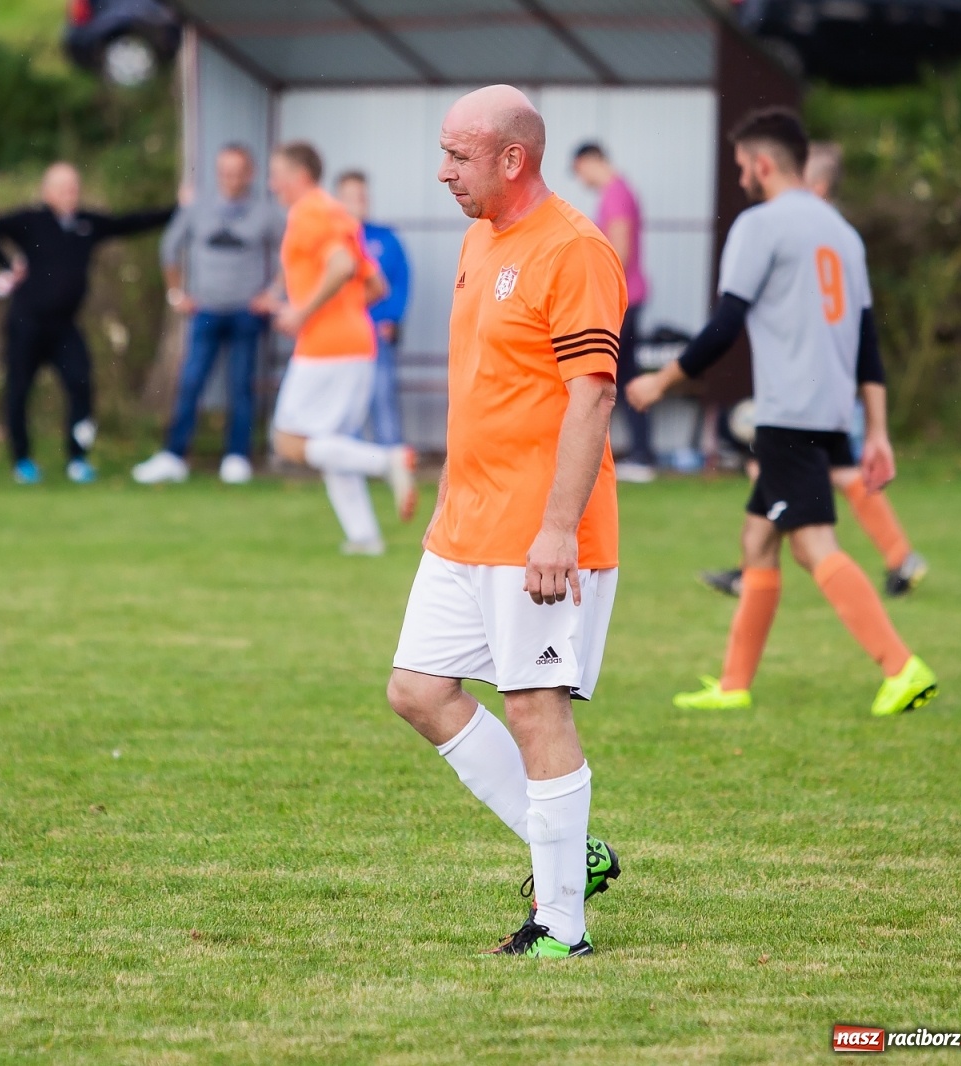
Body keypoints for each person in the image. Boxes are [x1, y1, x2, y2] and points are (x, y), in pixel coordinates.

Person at [385, 86, 624, 959]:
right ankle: (568, 849)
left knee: (533, 708)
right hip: (463, 527)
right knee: (417, 690)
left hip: (537, 531)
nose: (443, 171)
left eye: (459, 156)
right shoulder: (480, 237)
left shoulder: (575, 249)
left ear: (513, 159)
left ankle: (562, 928)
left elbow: (591, 396)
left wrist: (557, 529)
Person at [627, 108, 938, 718]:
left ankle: (901, 666)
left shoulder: (761, 225)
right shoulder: (843, 234)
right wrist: (876, 429)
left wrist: (661, 380)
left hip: (788, 413)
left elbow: (725, 324)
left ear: (763, 164)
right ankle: (733, 684)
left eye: (743, 166)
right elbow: (867, 344)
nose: (742, 176)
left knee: (812, 545)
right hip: (831, 410)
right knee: (758, 538)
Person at [698, 141, 929, 599]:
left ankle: (897, 559)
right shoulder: (839, 237)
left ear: (817, 186)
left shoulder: (813, 237)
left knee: (819, 514)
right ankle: (754, 569)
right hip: (821, 386)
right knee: (801, 471)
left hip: (807, 389)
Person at [0, 163, 174, 484]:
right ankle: (22, 460)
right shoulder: (31, 220)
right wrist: (7, 266)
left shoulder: (86, 223)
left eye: (74, 188)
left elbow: (127, 223)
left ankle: (77, 458)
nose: (71, 194)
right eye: (64, 188)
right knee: (19, 390)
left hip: (65, 326)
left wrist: (178, 210)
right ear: (47, 192)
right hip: (27, 323)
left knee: (81, 383)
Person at [266, 142, 415, 556]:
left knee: (287, 440)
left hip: (325, 347)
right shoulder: (340, 216)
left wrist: (302, 313)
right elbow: (376, 286)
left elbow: (342, 266)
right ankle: (364, 537)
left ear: (300, 176)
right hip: (358, 342)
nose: (272, 185)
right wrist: (341, 309)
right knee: (331, 443)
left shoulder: (309, 211)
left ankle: (387, 461)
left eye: (277, 175)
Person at [133, 145, 283, 486]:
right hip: (205, 311)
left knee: (241, 385)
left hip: (246, 313)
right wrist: (176, 293)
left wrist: (273, 292)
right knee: (191, 383)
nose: (231, 178)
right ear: (217, 173)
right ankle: (174, 456)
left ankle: (237, 457)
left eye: (237, 172)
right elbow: (169, 248)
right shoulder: (197, 209)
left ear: (250, 174)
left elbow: (291, 249)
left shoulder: (265, 213)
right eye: (225, 172)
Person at [572, 142, 654, 483]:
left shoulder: (616, 193)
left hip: (624, 299)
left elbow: (619, 251)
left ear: (589, 161)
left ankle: (641, 455)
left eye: (579, 171)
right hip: (626, 297)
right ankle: (641, 453)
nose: (581, 180)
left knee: (616, 377)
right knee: (624, 375)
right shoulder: (617, 191)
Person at [333, 170, 411, 447]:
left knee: (382, 396)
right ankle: (349, 459)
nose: (359, 202)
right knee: (346, 402)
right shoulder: (331, 240)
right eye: (351, 196)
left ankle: (392, 456)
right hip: (340, 335)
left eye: (362, 196)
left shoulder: (386, 238)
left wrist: (392, 318)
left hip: (375, 332)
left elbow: (400, 282)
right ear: (338, 200)